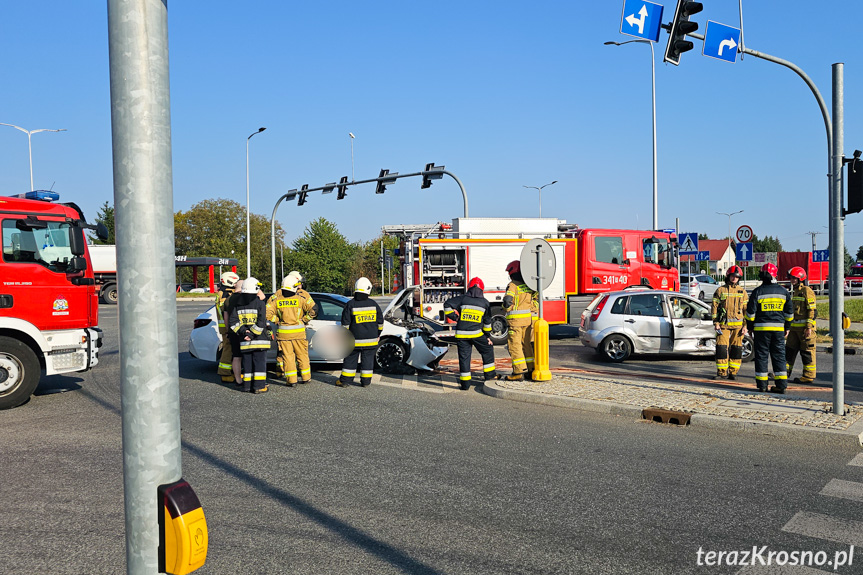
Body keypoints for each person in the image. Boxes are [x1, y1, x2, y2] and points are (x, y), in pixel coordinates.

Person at [745, 263, 793, 393]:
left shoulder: (757, 291)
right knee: (779, 356)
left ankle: (762, 385)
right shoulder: (784, 292)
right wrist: (787, 327)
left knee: (761, 356)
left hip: (761, 330)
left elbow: (750, 314)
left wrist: (750, 327)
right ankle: (781, 385)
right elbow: (789, 313)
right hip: (778, 330)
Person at [443, 277, 499, 390]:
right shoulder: (485, 303)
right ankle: (489, 376)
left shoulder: (462, 299)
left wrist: (455, 317)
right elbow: (487, 322)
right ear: (481, 290)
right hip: (476, 334)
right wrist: (487, 337)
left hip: (461, 335)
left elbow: (447, 305)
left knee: (464, 358)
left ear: (469, 288)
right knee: (487, 350)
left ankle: (465, 385)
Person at [267, 272, 316, 386]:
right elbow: (314, 309)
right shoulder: (301, 297)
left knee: (288, 357)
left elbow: (267, 312)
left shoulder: (277, 298)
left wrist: (277, 320)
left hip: (284, 333)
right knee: (302, 355)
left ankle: (291, 380)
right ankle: (306, 377)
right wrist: (304, 320)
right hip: (299, 332)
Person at [229, 277, 271, 393]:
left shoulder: (238, 304)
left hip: (245, 340)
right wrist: (252, 334)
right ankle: (259, 386)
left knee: (247, 364)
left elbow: (233, 322)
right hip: (259, 339)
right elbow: (261, 322)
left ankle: (247, 386)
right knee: (259, 364)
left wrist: (244, 332)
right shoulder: (260, 303)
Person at [339, 277, 383, 387]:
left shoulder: (350, 304)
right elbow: (380, 322)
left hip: (354, 341)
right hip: (371, 340)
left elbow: (345, 324)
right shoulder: (373, 304)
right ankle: (366, 382)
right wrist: (378, 334)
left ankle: (345, 381)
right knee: (368, 361)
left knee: (350, 360)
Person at [502, 260, 538, 381]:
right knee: (526, 345)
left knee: (515, 346)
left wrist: (506, 308)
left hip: (515, 322)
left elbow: (507, 300)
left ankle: (518, 372)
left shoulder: (513, 285)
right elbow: (536, 299)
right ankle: (530, 369)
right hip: (527, 321)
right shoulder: (528, 285)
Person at [711, 266, 748, 380]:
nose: (734, 278)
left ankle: (733, 372)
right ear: (728, 276)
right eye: (732, 276)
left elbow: (746, 310)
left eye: (736, 277)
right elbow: (714, 307)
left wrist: (745, 326)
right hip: (723, 325)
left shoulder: (742, 292)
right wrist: (716, 322)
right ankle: (722, 372)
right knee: (721, 348)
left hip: (738, 325)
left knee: (737, 349)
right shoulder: (720, 290)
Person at [786, 266, 817, 383]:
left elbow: (812, 311)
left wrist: (808, 327)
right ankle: (783, 373)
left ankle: (808, 376)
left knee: (807, 353)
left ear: (801, 278)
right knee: (789, 351)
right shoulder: (796, 292)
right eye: (791, 278)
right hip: (794, 329)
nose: (792, 280)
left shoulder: (807, 291)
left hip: (805, 330)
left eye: (794, 278)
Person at [215, 271, 240, 382]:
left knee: (230, 349)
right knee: (228, 349)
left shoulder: (223, 293)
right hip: (227, 327)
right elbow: (228, 310)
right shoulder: (225, 295)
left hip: (226, 326)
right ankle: (225, 373)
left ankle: (231, 372)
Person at [223, 278, 245, 385]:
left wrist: (228, 330)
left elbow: (226, 317)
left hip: (232, 331)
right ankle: (248, 378)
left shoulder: (228, 299)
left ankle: (238, 380)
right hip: (244, 331)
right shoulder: (244, 298)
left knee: (236, 356)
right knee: (247, 355)